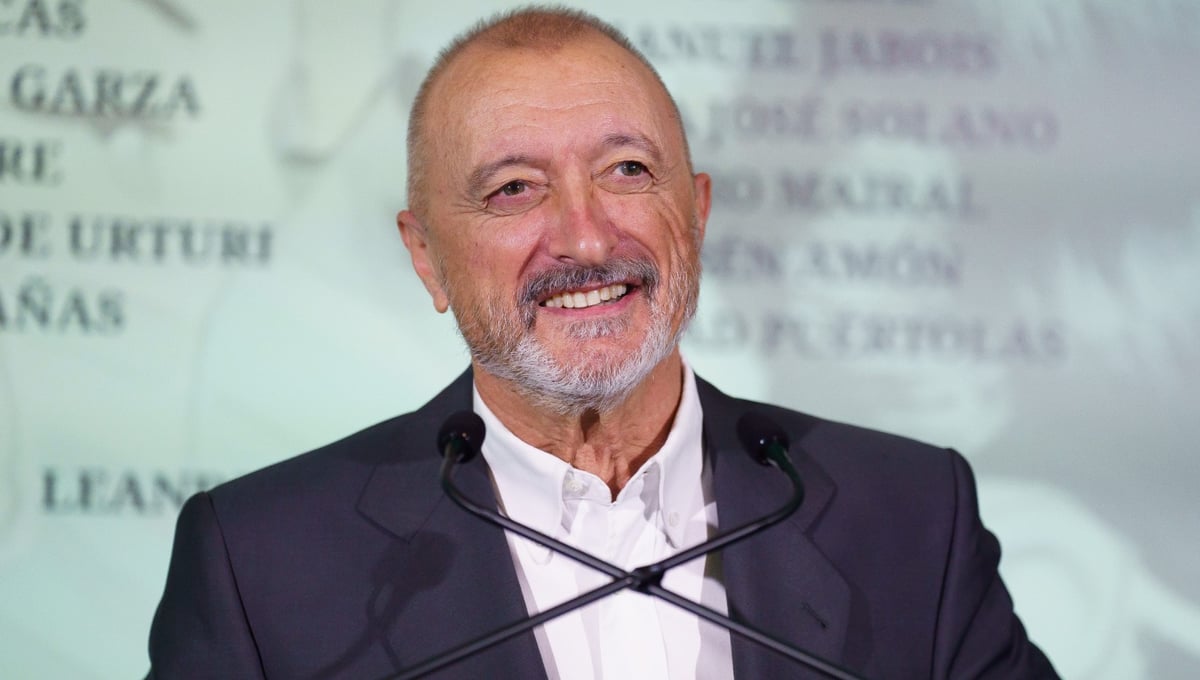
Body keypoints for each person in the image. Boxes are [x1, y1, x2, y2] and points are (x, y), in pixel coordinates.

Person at [147, 7, 1058, 679]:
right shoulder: (260, 563)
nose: (585, 239)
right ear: (426, 257)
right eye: (513, 188)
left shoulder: (911, 517)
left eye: (627, 170)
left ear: (695, 214)